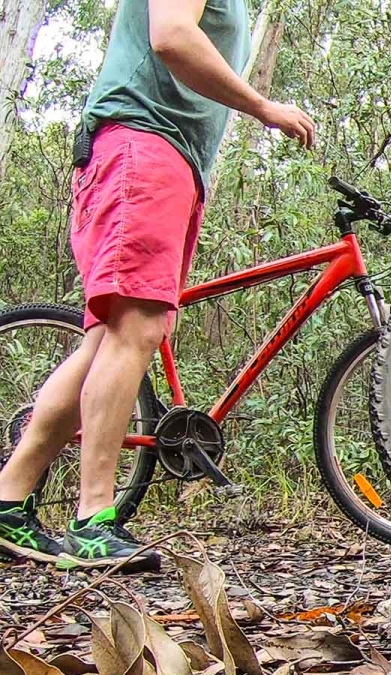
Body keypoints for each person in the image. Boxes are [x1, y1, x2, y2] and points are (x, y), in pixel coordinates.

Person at [0, 0, 314, 570]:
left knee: (109, 339)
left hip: (160, 158)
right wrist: (264, 107)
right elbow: (170, 36)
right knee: (134, 331)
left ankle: (8, 498)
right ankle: (93, 521)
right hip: (142, 147)